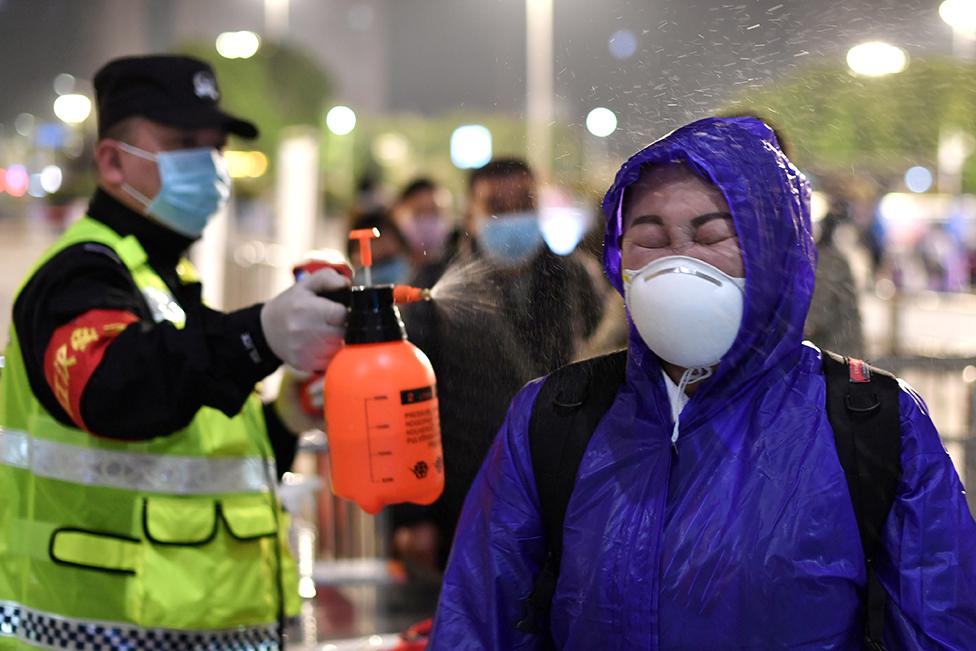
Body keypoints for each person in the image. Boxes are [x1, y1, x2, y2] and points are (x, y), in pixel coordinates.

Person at [429, 117, 976, 649]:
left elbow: (940, 625)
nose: (678, 262)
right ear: (620, 260)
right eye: (650, 237)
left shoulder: (872, 422)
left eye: (711, 236)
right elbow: (480, 620)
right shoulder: (554, 416)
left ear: (773, 253)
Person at [0, 55, 349, 650]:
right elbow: (115, 391)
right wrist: (257, 335)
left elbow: (195, 453)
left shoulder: (164, 281)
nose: (208, 167)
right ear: (111, 161)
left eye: (214, 148)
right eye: (184, 143)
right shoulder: (79, 276)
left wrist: (287, 416)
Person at [393, 158, 605, 571]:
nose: (511, 217)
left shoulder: (576, 277)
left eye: (522, 203)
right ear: (470, 216)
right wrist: (414, 514)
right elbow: (410, 404)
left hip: (561, 496)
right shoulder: (433, 286)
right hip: (467, 494)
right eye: (496, 206)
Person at [805, 201, 866, 358]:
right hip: (846, 348)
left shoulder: (826, 261)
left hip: (834, 350)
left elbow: (815, 318)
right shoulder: (834, 260)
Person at [391, 177, 459, 284]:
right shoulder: (393, 267)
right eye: (419, 213)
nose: (426, 224)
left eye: (431, 212)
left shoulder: (455, 249)